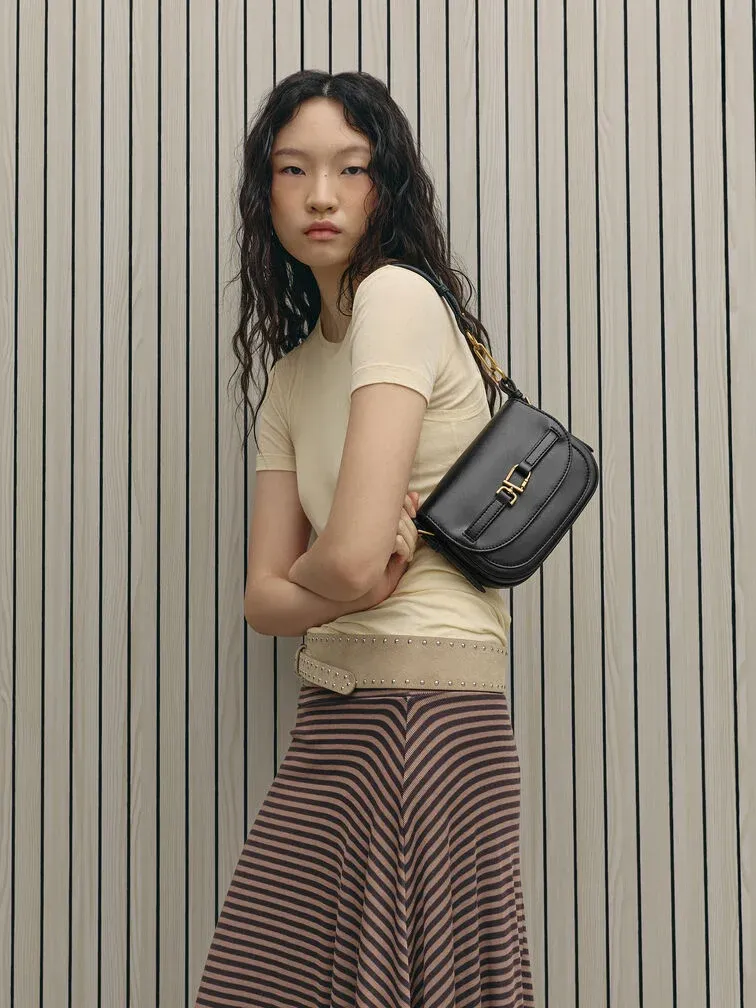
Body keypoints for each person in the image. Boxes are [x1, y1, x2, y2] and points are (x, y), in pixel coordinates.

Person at [194, 69, 534, 1007]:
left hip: (424, 710)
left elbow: (312, 575)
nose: (320, 195)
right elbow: (264, 602)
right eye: (293, 169)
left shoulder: (399, 298)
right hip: (334, 710)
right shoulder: (292, 377)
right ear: (265, 193)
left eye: (351, 168)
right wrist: (342, 579)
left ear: (386, 186)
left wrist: (325, 576)